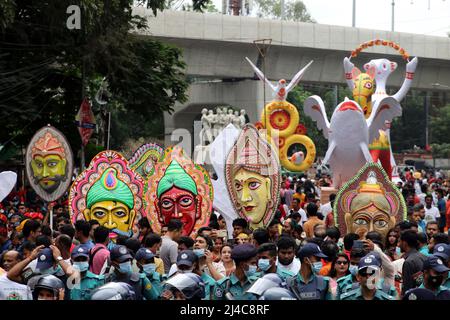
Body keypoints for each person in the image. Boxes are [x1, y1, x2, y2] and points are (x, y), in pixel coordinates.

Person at [399, 229, 427, 295]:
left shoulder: (408, 262)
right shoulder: (424, 257)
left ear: (404, 243)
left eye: (400, 241)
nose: (399, 244)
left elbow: (407, 289)